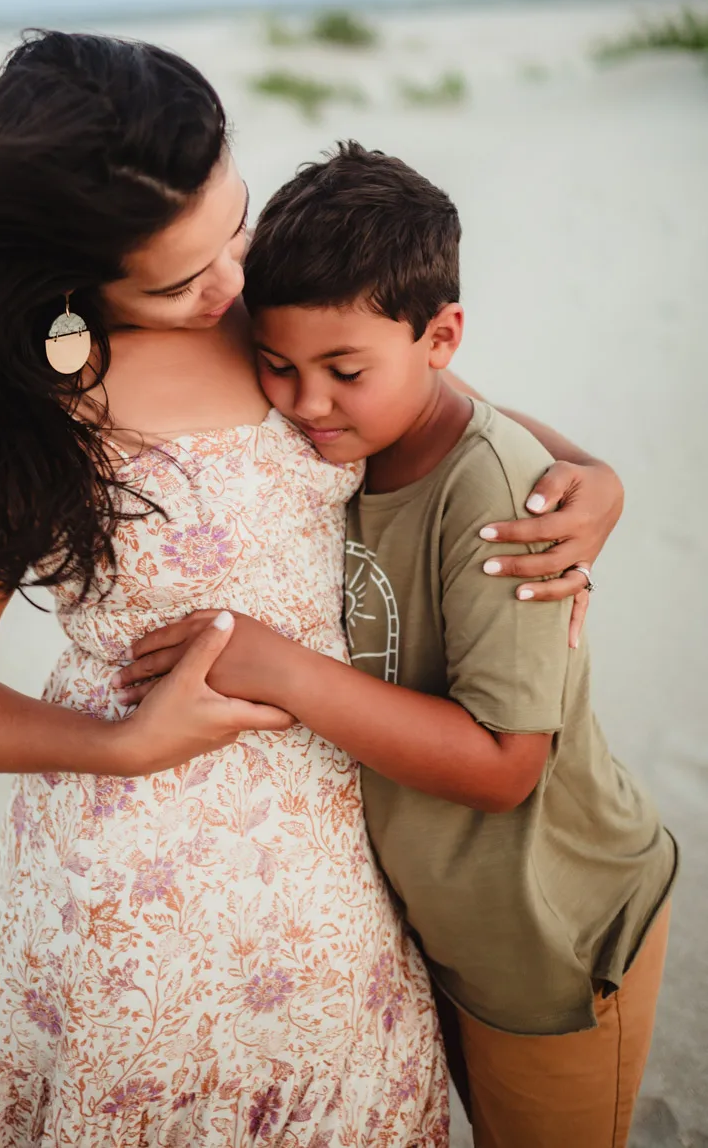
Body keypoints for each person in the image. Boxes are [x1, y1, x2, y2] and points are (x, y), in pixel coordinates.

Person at [0, 36, 622, 1148]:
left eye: (232, 222)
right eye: (175, 278)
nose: (230, 283)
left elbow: (458, 419)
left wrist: (597, 485)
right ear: (67, 278)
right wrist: (120, 747)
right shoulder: (17, 417)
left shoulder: (272, 315)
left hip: (341, 862)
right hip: (132, 899)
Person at [118, 142, 677, 1148]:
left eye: (342, 373)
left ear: (442, 336)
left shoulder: (501, 506)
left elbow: (505, 767)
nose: (305, 404)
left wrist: (280, 668)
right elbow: (375, 373)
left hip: (549, 931)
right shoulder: (351, 436)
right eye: (277, 368)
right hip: (428, 922)